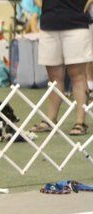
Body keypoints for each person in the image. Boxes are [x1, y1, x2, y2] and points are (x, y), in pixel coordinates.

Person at [31, 0, 93, 136]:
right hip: (49, 23)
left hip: (76, 23)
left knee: (77, 75)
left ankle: (80, 122)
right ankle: (50, 120)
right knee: (54, 78)